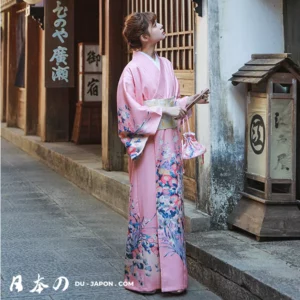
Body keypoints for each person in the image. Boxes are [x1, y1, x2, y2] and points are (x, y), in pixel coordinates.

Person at [117, 12, 209, 295]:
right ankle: (146, 277)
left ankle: (173, 279)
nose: (161, 27)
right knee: (147, 208)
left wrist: (189, 100)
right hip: (148, 147)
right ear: (144, 37)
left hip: (168, 146)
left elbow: (172, 103)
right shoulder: (130, 71)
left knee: (170, 209)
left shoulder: (166, 65)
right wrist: (165, 110)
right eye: (156, 25)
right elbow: (130, 114)